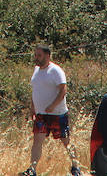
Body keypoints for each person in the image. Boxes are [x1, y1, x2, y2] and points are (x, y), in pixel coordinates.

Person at [19, 45, 82, 176]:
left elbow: (63, 89)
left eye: (39, 55)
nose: (36, 58)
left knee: (66, 141)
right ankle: (32, 170)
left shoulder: (55, 70)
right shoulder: (36, 70)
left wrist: (53, 105)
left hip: (57, 113)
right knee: (37, 141)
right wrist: (33, 107)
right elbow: (35, 90)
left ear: (47, 56)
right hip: (41, 114)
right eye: (35, 55)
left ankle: (76, 167)